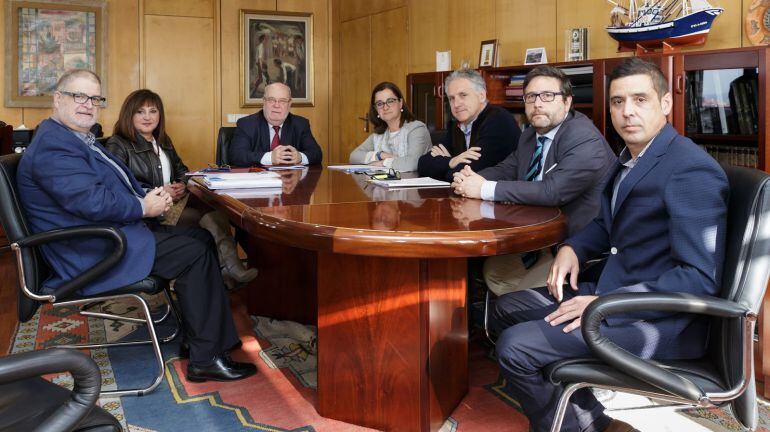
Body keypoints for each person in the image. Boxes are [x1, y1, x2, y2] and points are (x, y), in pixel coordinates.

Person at [491, 57, 729, 432]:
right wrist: (574, 248)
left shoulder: (689, 169)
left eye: (640, 99)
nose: (627, 112)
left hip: (659, 318)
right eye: (618, 102)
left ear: (665, 104)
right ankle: (586, 414)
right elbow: (605, 223)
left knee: (515, 347)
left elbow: (698, 279)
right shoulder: (631, 158)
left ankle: (581, 427)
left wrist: (604, 305)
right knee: (505, 309)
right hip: (615, 291)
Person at [16, 69, 257, 382]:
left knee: (198, 236)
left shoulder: (72, 138)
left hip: (108, 235)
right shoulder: (55, 146)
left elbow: (102, 189)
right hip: (92, 250)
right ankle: (206, 358)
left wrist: (145, 195)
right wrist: (143, 206)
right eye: (79, 96)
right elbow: (92, 202)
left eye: (95, 98)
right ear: (57, 99)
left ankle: (203, 338)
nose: (88, 104)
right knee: (194, 250)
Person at [451, 66, 615, 298]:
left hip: (580, 247)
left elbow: (552, 191)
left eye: (548, 96)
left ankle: (520, 315)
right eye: (530, 97)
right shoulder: (530, 135)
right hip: (538, 240)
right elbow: (506, 169)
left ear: (567, 102)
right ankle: (514, 316)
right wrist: (469, 177)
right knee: (493, 271)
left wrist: (483, 188)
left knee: (515, 294)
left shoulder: (583, 137)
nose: (537, 103)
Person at [105, 89, 258, 288]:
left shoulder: (162, 140)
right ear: (129, 115)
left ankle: (226, 270)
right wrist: (160, 191)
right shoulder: (118, 143)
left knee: (216, 210)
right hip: (150, 210)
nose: (147, 117)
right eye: (140, 112)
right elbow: (118, 186)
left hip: (173, 200)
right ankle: (225, 269)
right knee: (203, 219)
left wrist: (180, 185)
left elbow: (182, 171)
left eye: (153, 111)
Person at [417, 68, 520, 182]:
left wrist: (445, 162)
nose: (456, 104)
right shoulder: (457, 126)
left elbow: (468, 173)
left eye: (463, 95)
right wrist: (452, 161)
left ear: (481, 95)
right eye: (451, 98)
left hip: (504, 197)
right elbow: (423, 165)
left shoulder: (498, 121)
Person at [228, 82, 322, 167]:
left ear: (289, 104)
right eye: (271, 100)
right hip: (258, 182)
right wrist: (270, 158)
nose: (276, 105)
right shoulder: (247, 124)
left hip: (290, 182)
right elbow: (236, 155)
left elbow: (316, 154)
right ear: (264, 102)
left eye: (282, 101)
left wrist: (300, 157)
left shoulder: (300, 124)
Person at [349, 82, 431, 172]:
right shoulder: (378, 135)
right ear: (376, 110)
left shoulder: (416, 129)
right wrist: (380, 155)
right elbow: (354, 156)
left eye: (390, 101)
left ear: (400, 103)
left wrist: (383, 163)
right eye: (380, 104)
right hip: (385, 183)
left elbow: (412, 163)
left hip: (415, 184)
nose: (385, 107)